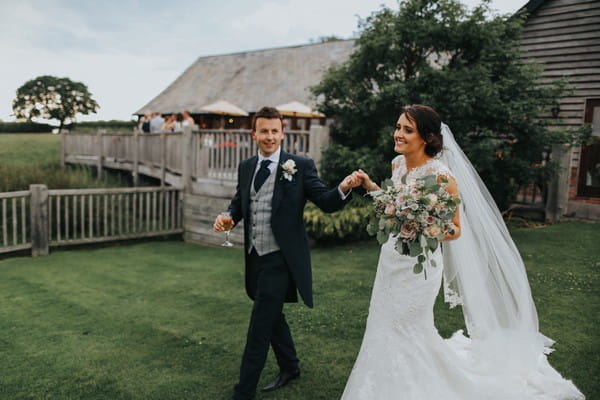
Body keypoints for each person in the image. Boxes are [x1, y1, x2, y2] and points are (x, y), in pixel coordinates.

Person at [342, 104, 584, 399]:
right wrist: (370, 186)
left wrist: (426, 227)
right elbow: (395, 206)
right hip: (392, 259)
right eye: (398, 128)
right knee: (381, 324)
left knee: (407, 327)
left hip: (421, 266)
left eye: (407, 130)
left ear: (427, 137)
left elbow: (456, 228)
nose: (398, 134)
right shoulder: (397, 165)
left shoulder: (443, 176)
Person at [213, 106, 360, 400]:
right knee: (272, 315)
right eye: (264, 131)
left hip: (281, 258)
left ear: (283, 133)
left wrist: (343, 187)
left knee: (259, 326)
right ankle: (290, 366)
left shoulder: (300, 166)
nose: (270, 137)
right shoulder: (246, 167)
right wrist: (227, 216)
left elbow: (326, 201)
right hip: (255, 256)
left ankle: (243, 392)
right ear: (253, 133)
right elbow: (240, 204)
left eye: (275, 131)